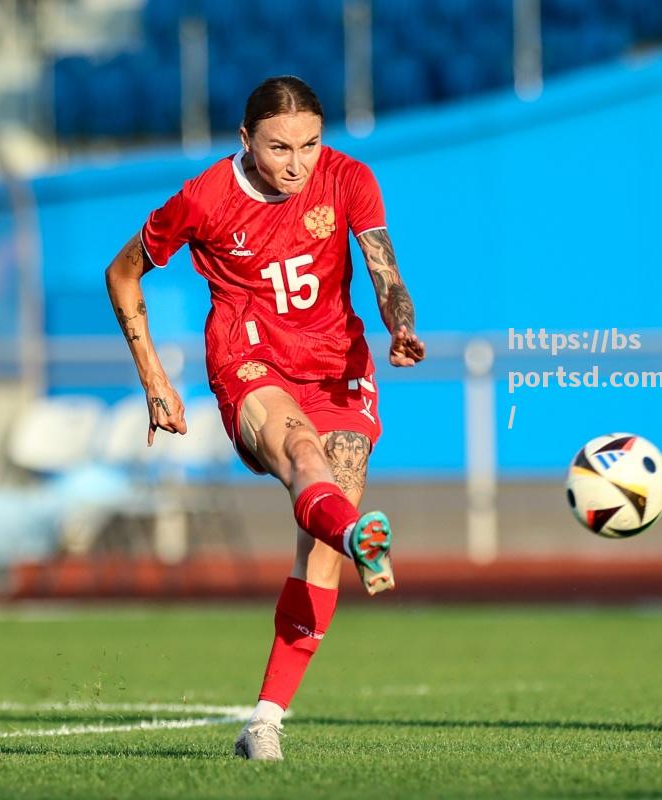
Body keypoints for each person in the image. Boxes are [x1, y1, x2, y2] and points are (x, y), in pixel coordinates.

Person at [104, 76, 426, 760]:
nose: (296, 163)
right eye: (279, 147)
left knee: (319, 553)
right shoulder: (204, 199)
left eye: (309, 144)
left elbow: (385, 273)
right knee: (305, 458)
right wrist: (155, 379)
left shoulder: (348, 178)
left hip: (339, 370)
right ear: (246, 140)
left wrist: (401, 326)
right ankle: (360, 534)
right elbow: (123, 272)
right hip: (252, 365)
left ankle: (264, 722)